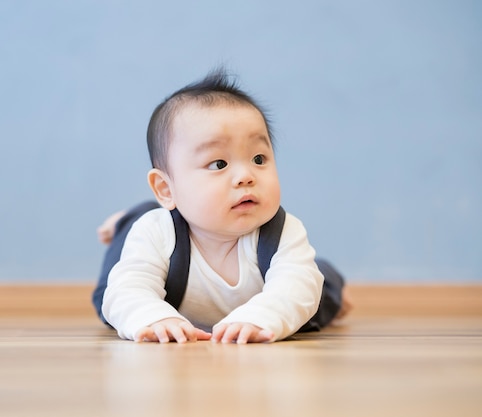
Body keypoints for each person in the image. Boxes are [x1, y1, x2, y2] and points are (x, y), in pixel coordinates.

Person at [94, 68, 351, 344]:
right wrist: (154, 318)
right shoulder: (155, 232)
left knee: (316, 292)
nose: (246, 176)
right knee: (107, 304)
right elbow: (126, 290)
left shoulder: (283, 232)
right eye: (219, 164)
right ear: (166, 189)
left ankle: (329, 275)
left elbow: (296, 290)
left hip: (280, 293)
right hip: (158, 228)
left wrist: (258, 318)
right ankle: (128, 218)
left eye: (259, 159)